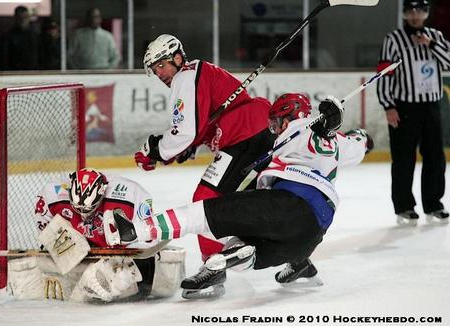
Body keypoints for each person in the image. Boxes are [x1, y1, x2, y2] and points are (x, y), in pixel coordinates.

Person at [107, 94, 373, 298]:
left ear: (292, 116)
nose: (274, 128)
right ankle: (252, 255)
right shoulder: (336, 140)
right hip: (312, 234)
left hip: (288, 204)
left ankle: (137, 230)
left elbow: (313, 132)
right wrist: (351, 133)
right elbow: (359, 143)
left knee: (201, 214)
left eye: (277, 121)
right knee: (244, 253)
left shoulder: (299, 127)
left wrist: (325, 124)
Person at [136, 34, 277, 293]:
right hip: (259, 130)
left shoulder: (184, 76)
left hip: (242, 134)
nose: (159, 73)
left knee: (206, 197)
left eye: (161, 65)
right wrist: (183, 148)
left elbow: (185, 132)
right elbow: (199, 129)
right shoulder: (199, 72)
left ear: (177, 58)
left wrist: (156, 150)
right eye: (155, 69)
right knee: (262, 199)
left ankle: (212, 267)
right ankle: (300, 259)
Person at [7, 168, 185, 303]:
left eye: (90, 208)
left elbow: (148, 241)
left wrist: (126, 244)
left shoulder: (130, 195)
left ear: (103, 193)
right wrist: (56, 244)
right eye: (79, 210)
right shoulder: (51, 196)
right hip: (84, 247)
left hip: (117, 251)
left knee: (109, 281)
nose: (84, 215)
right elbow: (45, 226)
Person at [377, 0, 450, 226]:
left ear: (427, 13)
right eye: (411, 11)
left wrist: (431, 45)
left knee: (435, 158)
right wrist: (388, 105)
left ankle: (434, 203)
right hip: (403, 107)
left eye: (421, 11)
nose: (416, 15)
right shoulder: (393, 39)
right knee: (403, 159)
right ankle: (404, 206)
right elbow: (384, 73)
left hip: (431, 106)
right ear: (405, 14)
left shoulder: (436, 36)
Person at [0, 6, 38, 71]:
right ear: (15, 18)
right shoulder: (8, 36)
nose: (23, 20)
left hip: (33, 74)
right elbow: (3, 59)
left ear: (28, 18)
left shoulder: (35, 36)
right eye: (20, 17)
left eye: (25, 17)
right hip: (14, 74)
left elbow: (40, 56)